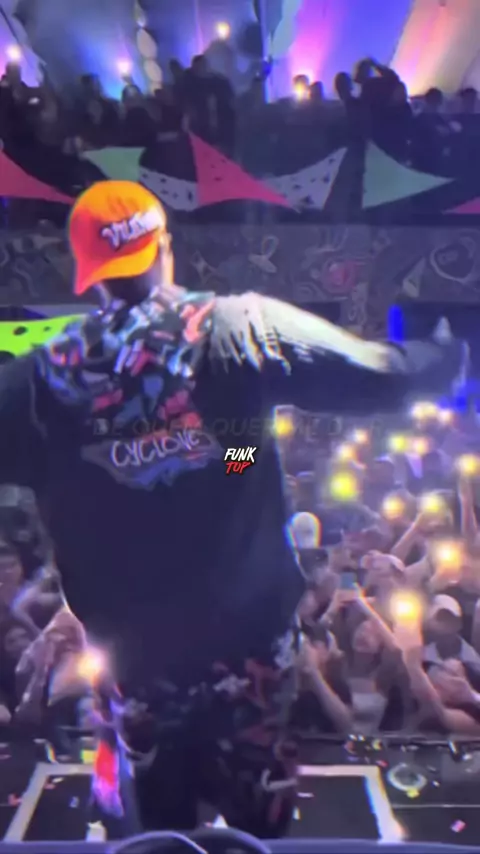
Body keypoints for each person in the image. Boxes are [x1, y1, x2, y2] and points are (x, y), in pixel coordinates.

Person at [0, 179, 466, 837]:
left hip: (136, 660)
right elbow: (378, 372)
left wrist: (91, 479)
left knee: (155, 818)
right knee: (255, 811)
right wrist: (439, 358)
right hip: (247, 652)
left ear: (89, 274)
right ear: (164, 249)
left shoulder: (40, 380)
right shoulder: (238, 328)